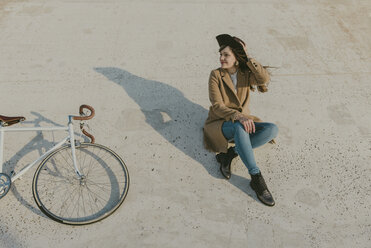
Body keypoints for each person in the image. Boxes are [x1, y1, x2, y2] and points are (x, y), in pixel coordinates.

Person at [203, 34, 279, 206]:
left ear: (236, 58)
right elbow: (217, 106)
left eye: (226, 55)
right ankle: (256, 177)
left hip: (244, 123)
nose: (221, 58)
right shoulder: (215, 75)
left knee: (272, 129)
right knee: (239, 128)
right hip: (221, 123)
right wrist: (238, 116)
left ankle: (231, 153)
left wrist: (248, 56)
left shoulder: (245, 73)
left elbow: (264, 79)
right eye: (220, 54)